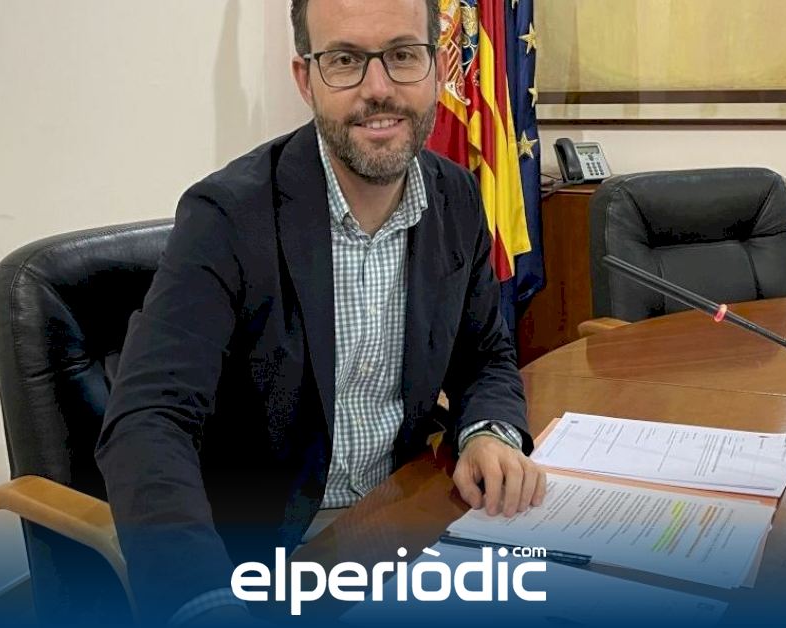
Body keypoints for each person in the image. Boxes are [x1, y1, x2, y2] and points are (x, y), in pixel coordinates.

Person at [95, 0, 546, 623]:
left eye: (403, 55)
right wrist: (200, 598)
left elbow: (485, 354)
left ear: (437, 67)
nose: (378, 88)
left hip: (400, 520)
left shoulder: (456, 197)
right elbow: (149, 418)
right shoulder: (226, 217)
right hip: (264, 562)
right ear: (305, 79)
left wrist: (488, 432)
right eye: (344, 60)